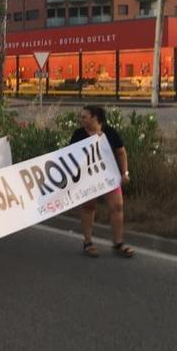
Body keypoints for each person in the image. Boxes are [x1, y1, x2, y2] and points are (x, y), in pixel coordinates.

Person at [70, 105, 134, 258]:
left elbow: (121, 152)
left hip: (108, 176)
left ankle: (118, 243)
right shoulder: (79, 134)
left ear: (94, 117)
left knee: (117, 206)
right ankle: (88, 242)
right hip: (88, 177)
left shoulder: (110, 132)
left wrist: (124, 172)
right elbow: (69, 156)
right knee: (89, 206)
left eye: (84, 117)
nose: (81, 120)